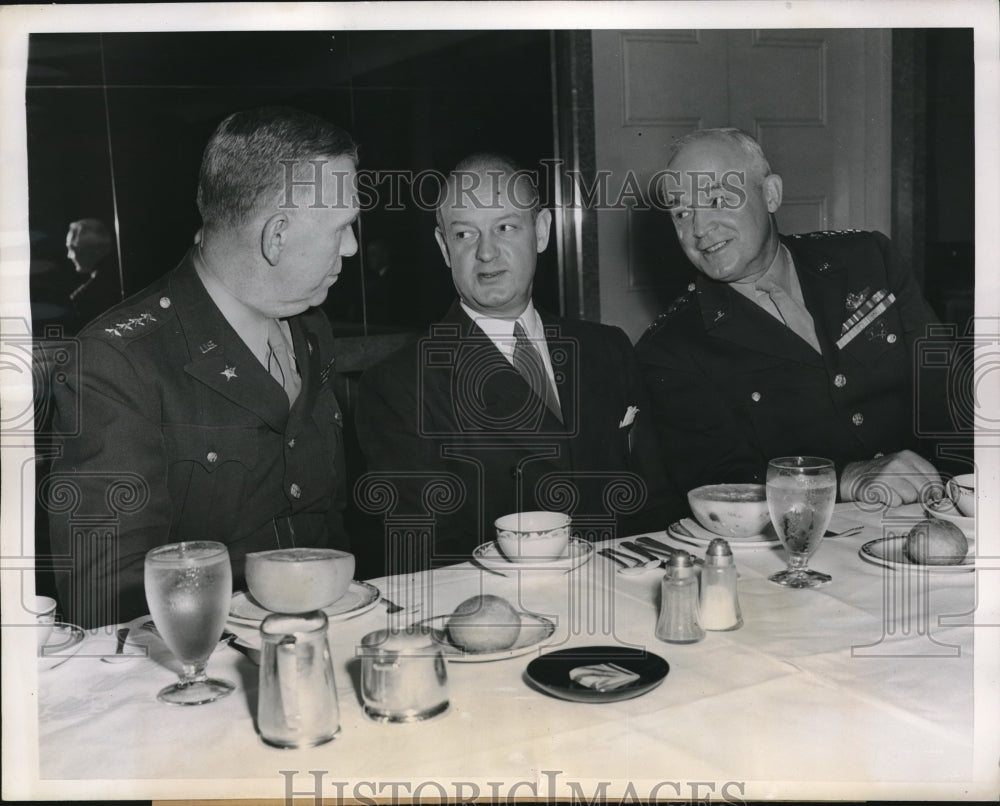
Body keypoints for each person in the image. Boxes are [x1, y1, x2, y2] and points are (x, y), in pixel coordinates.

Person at [47, 107, 358, 628]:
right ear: (276, 235)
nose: (351, 246)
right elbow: (106, 598)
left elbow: (330, 529)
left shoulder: (309, 330)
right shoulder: (116, 362)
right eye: (344, 227)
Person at [356, 154, 681, 575]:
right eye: (464, 234)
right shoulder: (400, 386)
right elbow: (423, 560)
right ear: (443, 248)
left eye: (506, 227)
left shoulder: (607, 349)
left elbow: (653, 501)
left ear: (541, 231)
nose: (486, 252)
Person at [637, 127, 949, 507]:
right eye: (682, 213)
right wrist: (843, 479)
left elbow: (945, 389)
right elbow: (718, 481)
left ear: (770, 194)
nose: (699, 229)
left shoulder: (868, 259)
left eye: (718, 199)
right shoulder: (671, 348)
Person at [64, 218, 123, 334]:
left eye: (72, 248)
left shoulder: (92, 292)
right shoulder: (102, 279)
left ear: (91, 249)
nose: (69, 255)